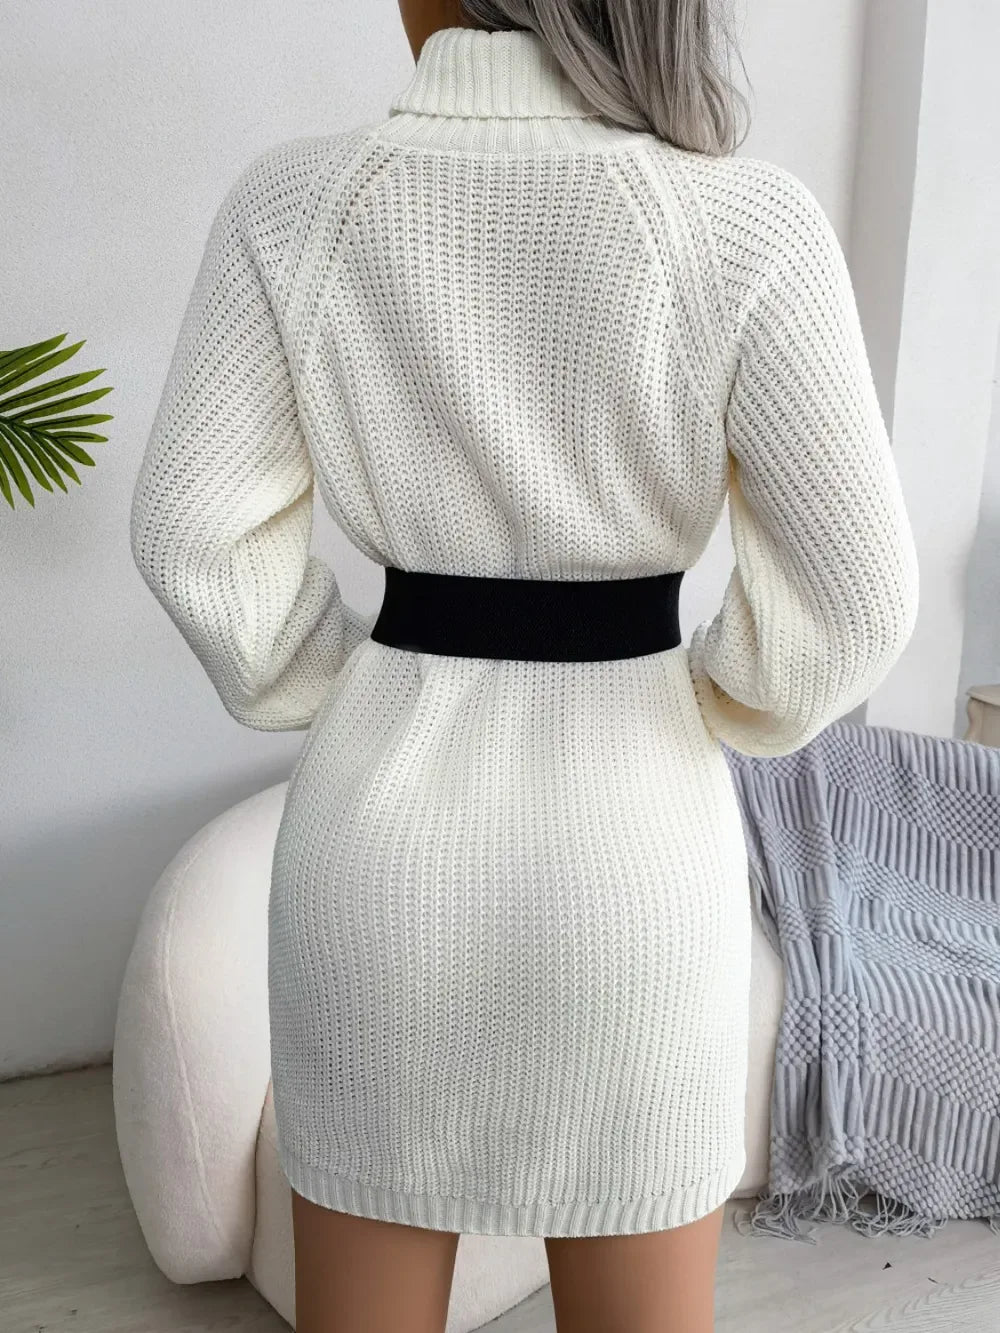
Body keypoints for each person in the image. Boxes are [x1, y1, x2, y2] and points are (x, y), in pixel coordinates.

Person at [128, 0, 920, 1329]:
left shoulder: (295, 207)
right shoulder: (746, 224)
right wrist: (720, 695)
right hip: (638, 864)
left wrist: (338, 684)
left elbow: (189, 530)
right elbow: (857, 592)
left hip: (377, 863)